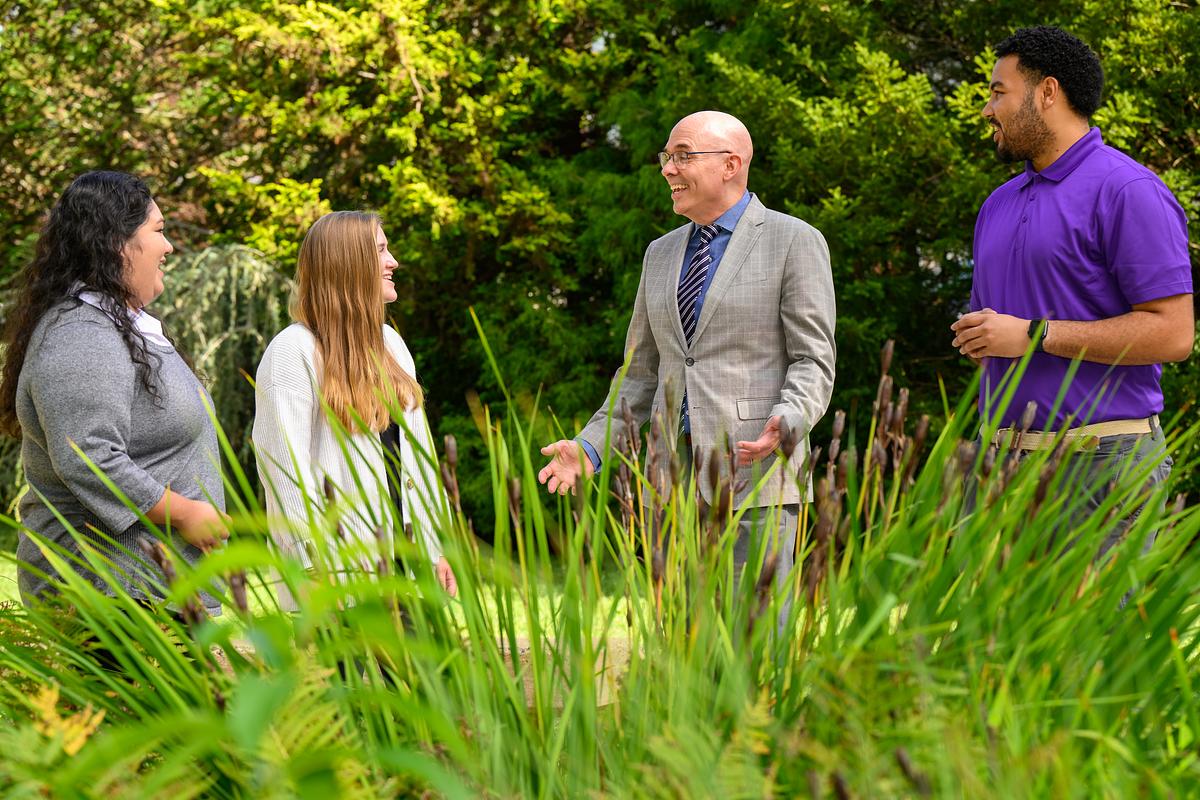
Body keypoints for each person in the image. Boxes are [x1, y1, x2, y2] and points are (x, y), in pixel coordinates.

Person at [538, 110, 837, 585]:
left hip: (756, 480)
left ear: (731, 164)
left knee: (753, 630)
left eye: (683, 156)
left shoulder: (795, 240)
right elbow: (639, 374)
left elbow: (813, 360)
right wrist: (590, 447)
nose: (667, 169)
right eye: (666, 157)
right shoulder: (659, 253)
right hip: (667, 487)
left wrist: (789, 419)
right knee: (677, 631)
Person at [950, 26, 1193, 552]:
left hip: (1101, 466)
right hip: (996, 466)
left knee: (1098, 615)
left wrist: (1036, 335)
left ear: (1047, 93)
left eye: (998, 93)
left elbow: (1174, 335)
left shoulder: (1129, 191)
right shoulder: (997, 204)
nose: (988, 110)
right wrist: (982, 338)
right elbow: (1000, 338)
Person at [0, 171, 228, 612]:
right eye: (158, 231)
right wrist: (186, 513)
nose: (169, 247)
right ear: (117, 243)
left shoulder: (114, 326)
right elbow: (88, 456)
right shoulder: (81, 334)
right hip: (109, 594)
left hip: (142, 592)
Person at [252, 211, 456, 610]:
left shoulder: (391, 344)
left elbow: (419, 459)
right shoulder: (292, 353)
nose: (393, 261)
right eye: (381, 250)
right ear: (349, 264)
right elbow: (285, 473)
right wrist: (312, 568)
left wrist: (436, 548)